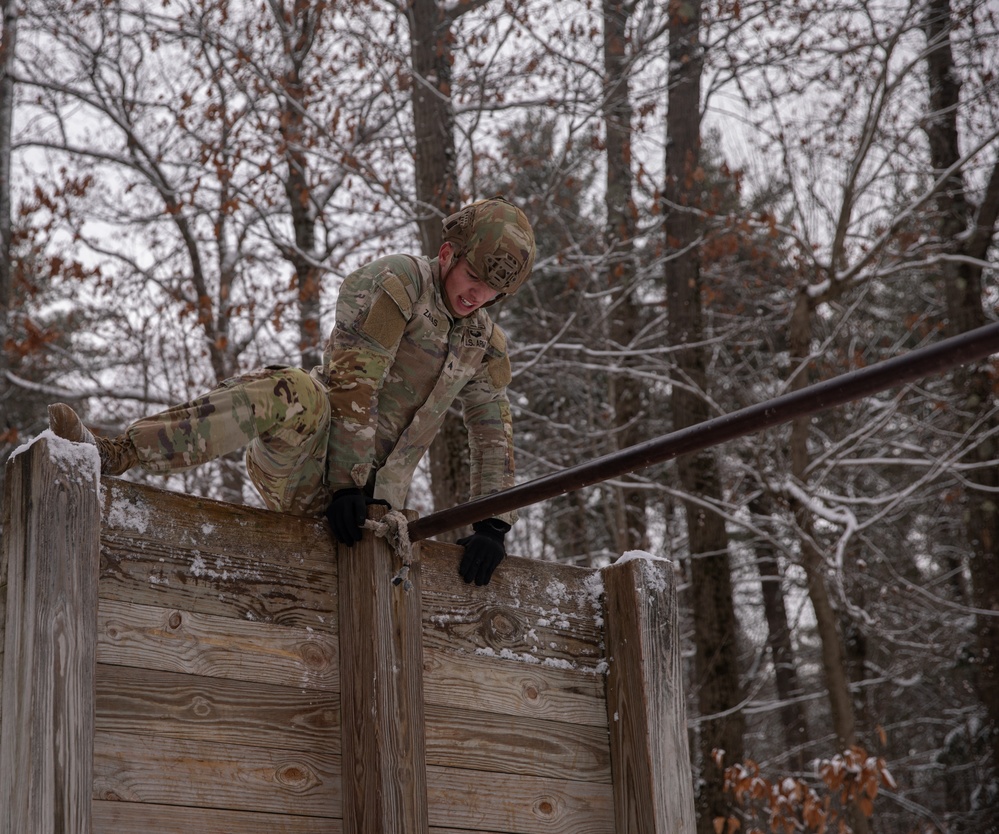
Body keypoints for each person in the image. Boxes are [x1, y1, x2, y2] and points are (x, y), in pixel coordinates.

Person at [48, 197, 536, 586]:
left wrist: (493, 525)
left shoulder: (484, 342)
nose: (476, 295)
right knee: (293, 388)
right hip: (311, 458)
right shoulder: (400, 283)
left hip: (376, 508)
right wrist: (347, 483)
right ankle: (116, 453)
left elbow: (493, 427)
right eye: (472, 277)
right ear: (448, 254)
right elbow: (355, 379)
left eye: (491, 292)